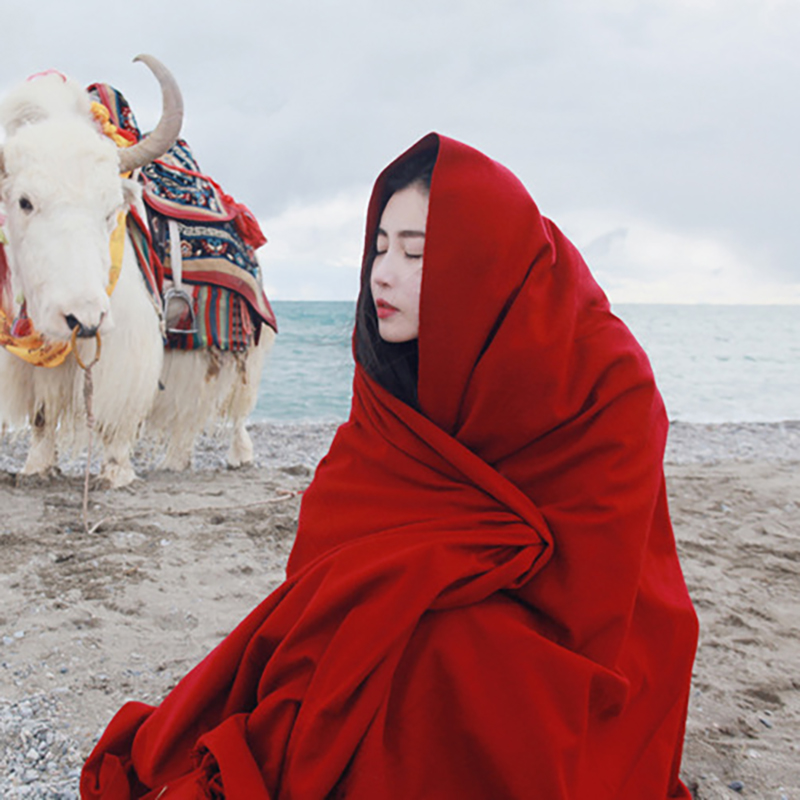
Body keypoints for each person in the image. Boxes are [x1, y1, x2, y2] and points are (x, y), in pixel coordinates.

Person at [81, 133, 698, 799]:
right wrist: (405, 582)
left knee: (448, 646)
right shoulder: (397, 370)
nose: (382, 273)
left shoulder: (603, 379)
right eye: (379, 246)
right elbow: (345, 518)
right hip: (465, 599)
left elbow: (593, 586)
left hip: (579, 631)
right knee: (367, 632)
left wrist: (427, 577)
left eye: (415, 253)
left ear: (480, 258)